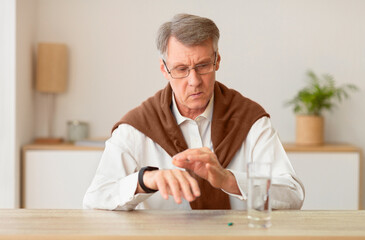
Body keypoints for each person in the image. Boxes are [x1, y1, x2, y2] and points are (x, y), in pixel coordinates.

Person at [83, 13, 304, 210]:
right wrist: (144, 180)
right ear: (164, 69)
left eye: (203, 66)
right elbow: (95, 198)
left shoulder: (250, 120)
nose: (194, 81)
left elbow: (293, 194)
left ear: (217, 61)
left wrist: (229, 180)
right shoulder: (136, 127)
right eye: (181, 69)